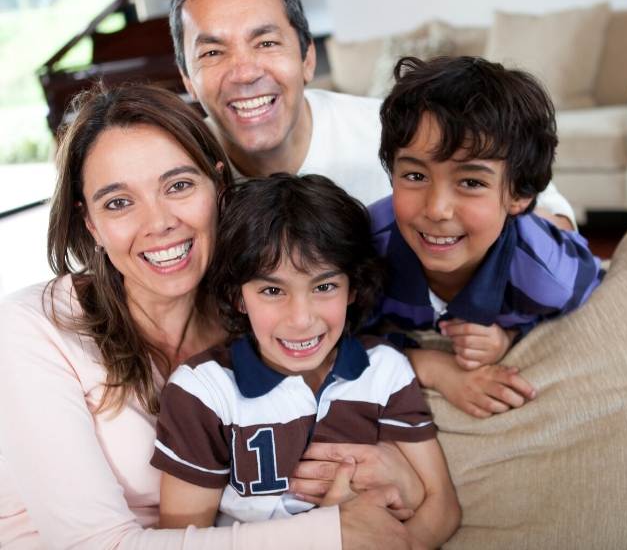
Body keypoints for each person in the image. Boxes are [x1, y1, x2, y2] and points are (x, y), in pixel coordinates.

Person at [0, 84, 418, 549]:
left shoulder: (256, 313)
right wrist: (333, 533)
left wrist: (394, 465)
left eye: (178, 186)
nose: (158, 222)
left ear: (219, 188)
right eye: (119, 202)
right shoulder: (29, 329)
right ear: (90, 223)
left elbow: (355, 361)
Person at [152, 175, 461, 547]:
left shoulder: (384, 370)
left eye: (324, 286)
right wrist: (329, 532)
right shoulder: (203, 392)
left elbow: (441, 505)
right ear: (238, 297)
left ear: (353, 288)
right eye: (271, 290)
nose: (301, 319)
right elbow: (181, 542)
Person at [168, 0, 577, 227]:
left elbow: (550, 211)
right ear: (187, 78)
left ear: (308, 58)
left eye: (266, 43)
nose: (244, 72)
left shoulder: (391, 130)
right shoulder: (173, 174)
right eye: (213, 53)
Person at [370, 56, 604, 419]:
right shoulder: (366, 248)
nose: (437, 209)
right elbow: (329, 342)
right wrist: (434, 367)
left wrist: (509, 335)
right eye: (415, 175)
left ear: (518, 196)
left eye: (471, 182)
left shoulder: (548, 276)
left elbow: (585, 278)